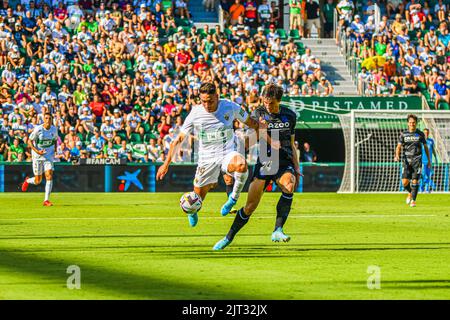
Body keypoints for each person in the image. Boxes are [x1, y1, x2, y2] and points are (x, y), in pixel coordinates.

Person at [156, 82, 265, 227]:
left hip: (227, 152)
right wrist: (166, 163)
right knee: (196, 198)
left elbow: (252, 123)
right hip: (206, 159)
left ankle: (232, 199)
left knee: (241, 165)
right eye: (203, 101)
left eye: (210, 101)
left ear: (217, 97)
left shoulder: (230, 107)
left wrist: (260, 127)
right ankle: (192, 212)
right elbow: (179, 139)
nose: (207, 105)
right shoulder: (195, 113)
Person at [213, 84, 300, 251]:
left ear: (279, 101)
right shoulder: (258, 114)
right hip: (265, 162)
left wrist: (296, 167)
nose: (268, 106)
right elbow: (250, 140)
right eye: (265, 102)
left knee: (289, 186)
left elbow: (291, 142)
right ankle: (228, 237)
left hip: (284, 161)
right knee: (250, 207)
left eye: (272, 103)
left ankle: (278, 230)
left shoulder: (290, 115)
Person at [20, 113, 58, 206]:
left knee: (49, 176)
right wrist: (37, 151)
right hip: (37, 157)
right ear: (43, 119)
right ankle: (27, 180)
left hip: (48, 156)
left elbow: (55, 140)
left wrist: (55, 150)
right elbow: (29, 141)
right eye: (46, 118)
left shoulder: (54, 129)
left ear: (52, 119)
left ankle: (46, 200)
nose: (48, 120)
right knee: (38, 181)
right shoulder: (38, 129)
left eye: (49, 118)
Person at [394, 114, 431, 208]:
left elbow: (426, 147)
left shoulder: (420, 134)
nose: (412, 124)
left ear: (416, 123)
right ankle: (411, 193)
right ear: (408, 123)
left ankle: (413, 201)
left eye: (413, 122)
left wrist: (429, 160)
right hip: (406, 161)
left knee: (415, 181)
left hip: (417, 161)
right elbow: (398, 147)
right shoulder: (403, 134)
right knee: (405, 182)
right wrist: (397, 155)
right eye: (410, 122)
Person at [420, 128, 436, 193]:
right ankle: (421, 189)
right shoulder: (421, 141)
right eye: (425, 133)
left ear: (428, 133)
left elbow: (433, 150)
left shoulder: (431, 141)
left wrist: (436, 158)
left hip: (429, 161)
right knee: (423, 175)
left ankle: (427, 189)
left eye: (427, 133)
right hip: (422, 161)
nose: (426, 134)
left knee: (428, 175)